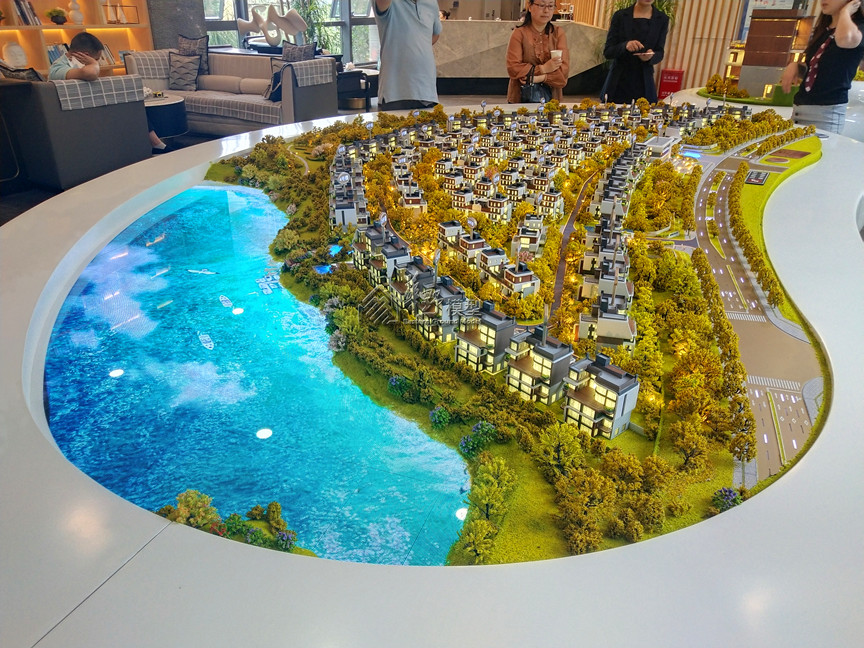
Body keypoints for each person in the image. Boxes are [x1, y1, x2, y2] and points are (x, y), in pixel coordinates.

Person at [49, 32, 167, 152]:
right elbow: (91, 73)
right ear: (85, 56)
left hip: (87, 109)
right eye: (96, 59)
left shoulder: (76, 65)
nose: (98, 63)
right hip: (74, 117)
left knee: (130, 102)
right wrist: (93, 63)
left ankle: (154, 143)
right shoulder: (58, 69)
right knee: (126, 106)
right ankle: (155, 144)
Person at [780, 0, 864, 134]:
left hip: (826, 114)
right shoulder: (823, 30)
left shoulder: (857, 28)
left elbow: (844, 40)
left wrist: (845, 12)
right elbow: (817, 69)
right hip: (800, 110)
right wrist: (795, 66)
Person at [374, 0, 442, 110]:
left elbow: (435, 33)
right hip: (395, 93)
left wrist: (417, 46)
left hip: (427, 92)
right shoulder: (392, 3)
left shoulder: (431, 2)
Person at [599, 0, 669, 104]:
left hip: (645, 82)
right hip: (618, 81)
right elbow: (608, 52)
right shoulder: (620, 16)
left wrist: (651, 56)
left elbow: (660, 52)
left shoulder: (662, 19)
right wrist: (625, 46)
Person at [506, 0, 570, 104]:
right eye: (541, 5)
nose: (546, 10)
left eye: (550, 6)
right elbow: (513, 68)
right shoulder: (519, 34)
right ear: (530, 7)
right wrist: (544, 68)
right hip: (521, 98)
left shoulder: (558, 33)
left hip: (552, 99)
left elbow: (563, 75)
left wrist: (539, 78)